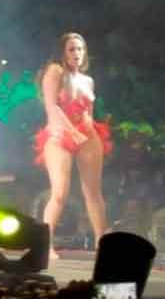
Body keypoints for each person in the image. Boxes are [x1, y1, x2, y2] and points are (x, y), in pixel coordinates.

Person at [35, 32, 112, 259]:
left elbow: (89, 111)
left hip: (87, 134)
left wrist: (87, 129)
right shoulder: (55, 71)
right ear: (62, 52)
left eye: (80, 49)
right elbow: (52, 106)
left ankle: (102, 243)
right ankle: (45, 245)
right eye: (71, 49)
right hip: (60, 134)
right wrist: (71, 131)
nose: (77, 53)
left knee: (93, 192)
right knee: (60, 192)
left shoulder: (88, 80)